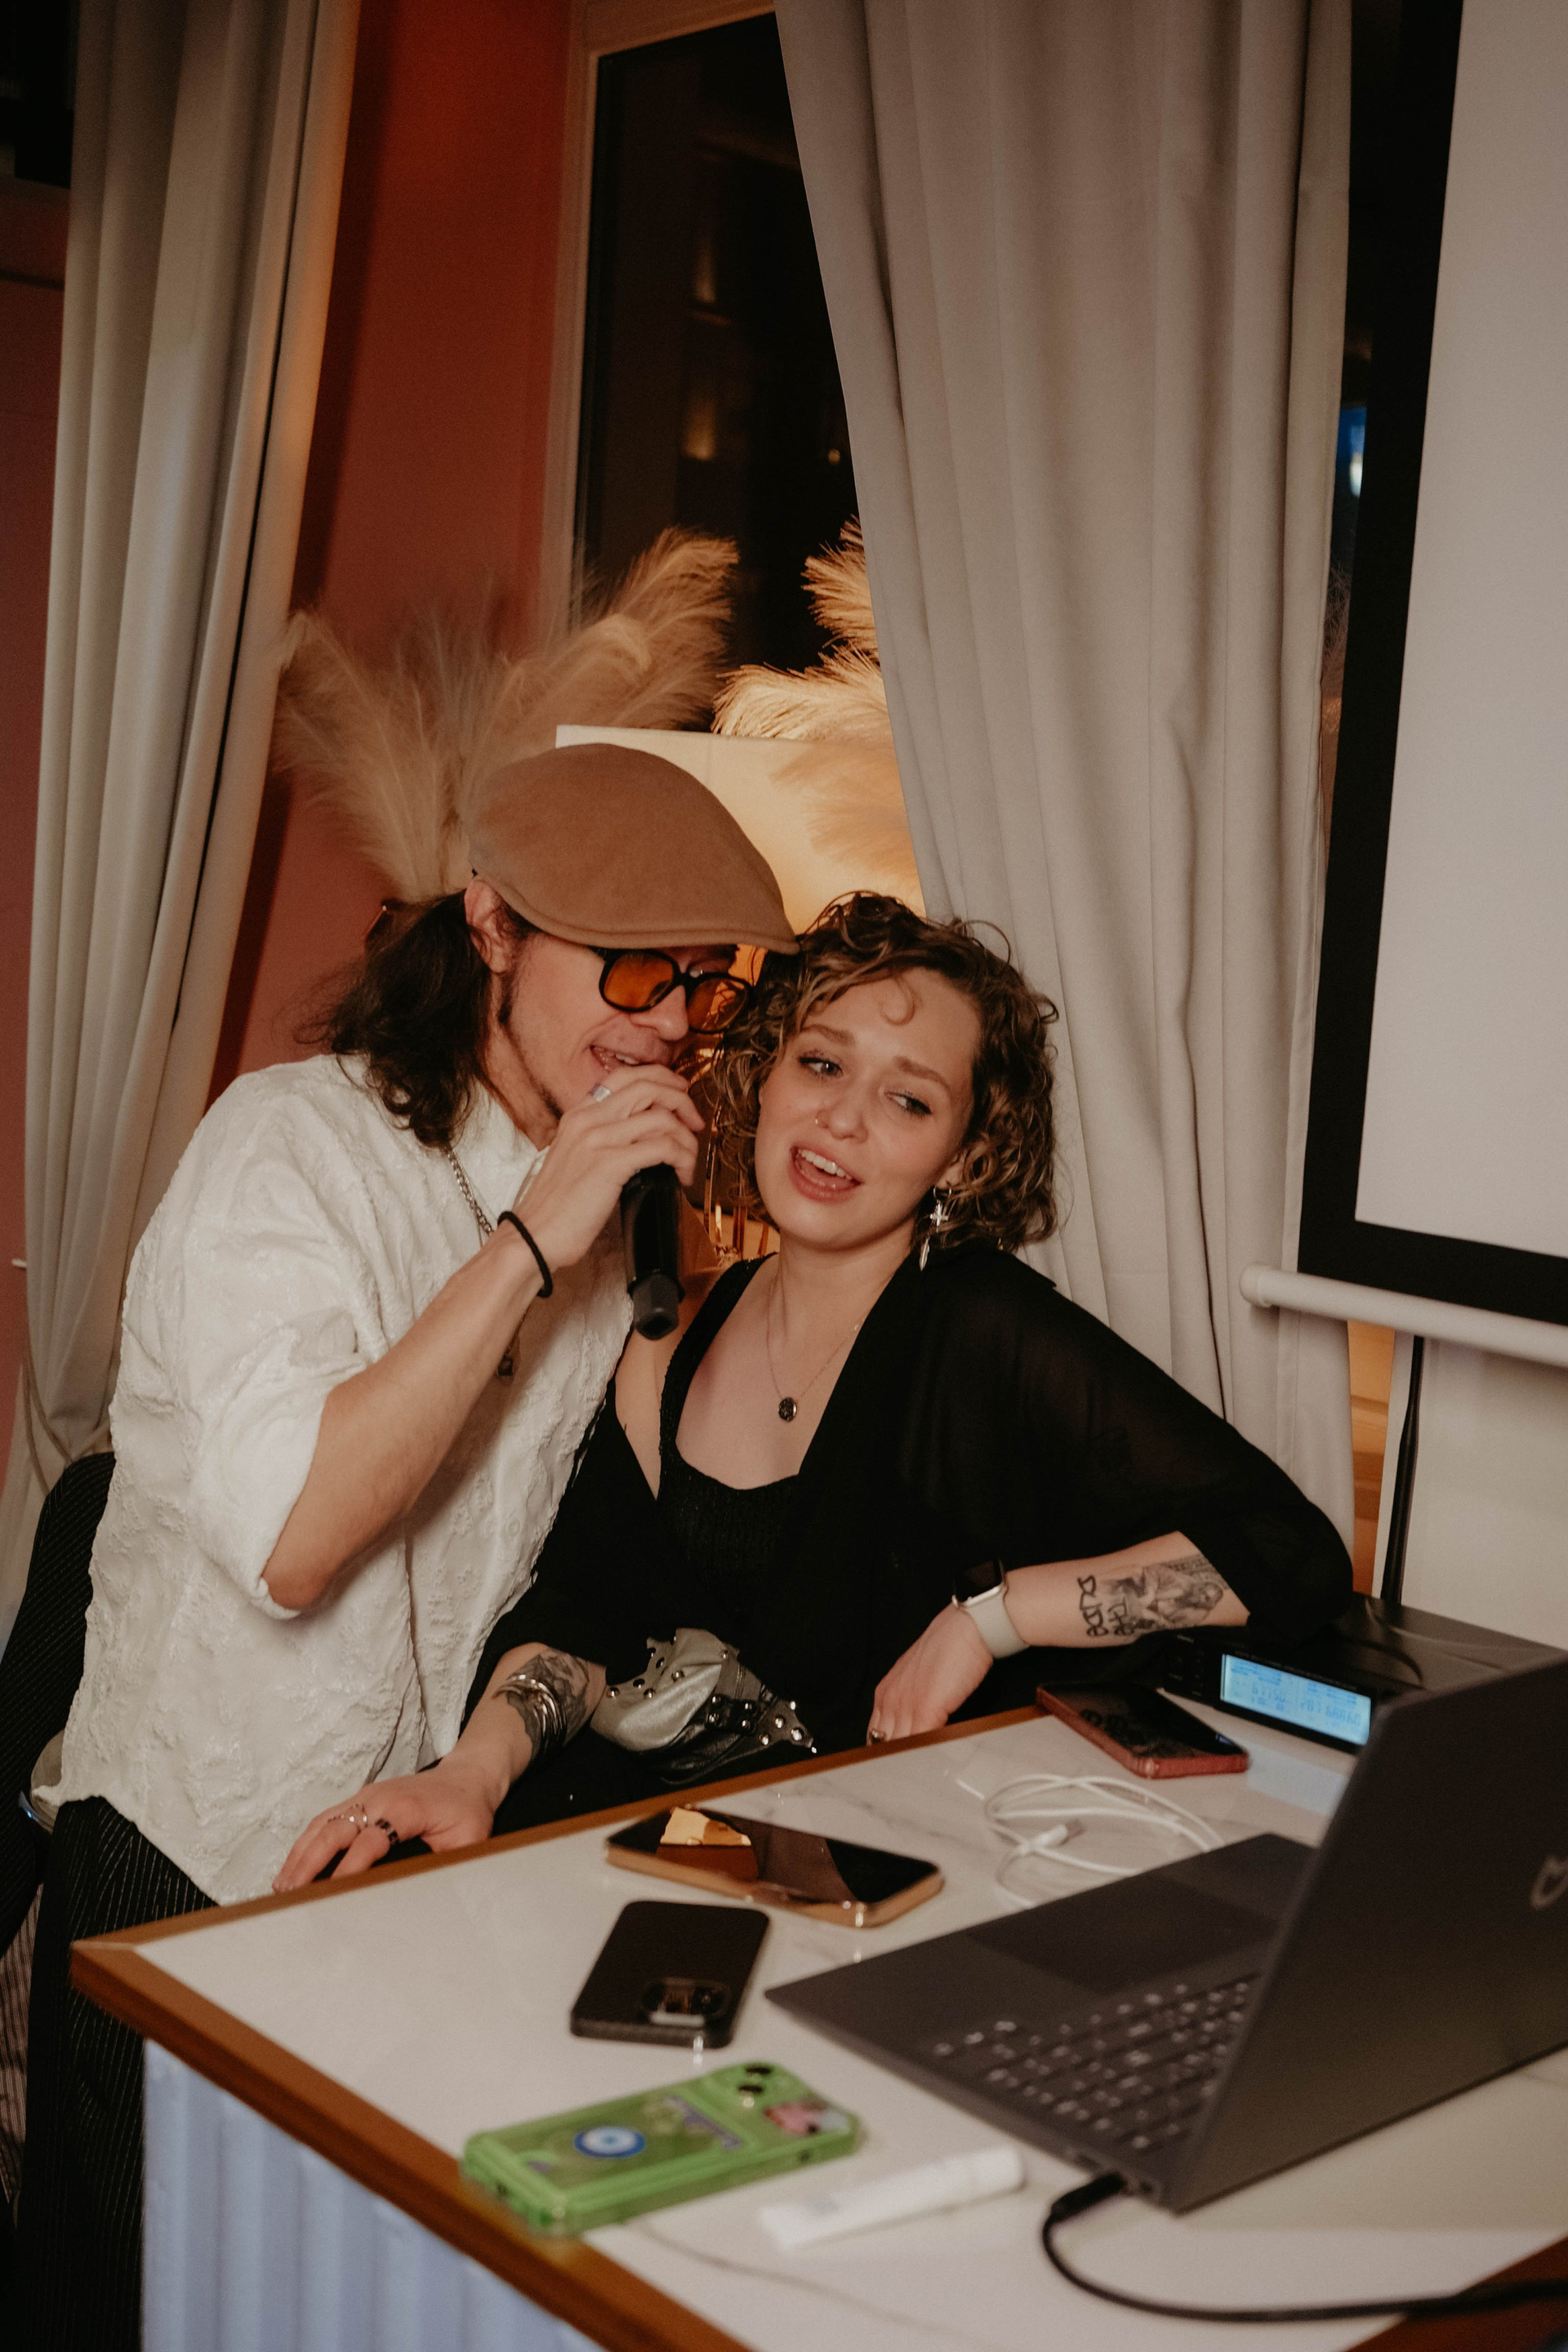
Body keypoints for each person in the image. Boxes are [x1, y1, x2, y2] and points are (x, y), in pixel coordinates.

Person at [16, 742, 797, 2350]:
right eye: (630, 968)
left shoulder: (629, 1213)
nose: (669, 1023)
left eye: (703, 981)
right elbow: (298, 1546)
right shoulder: (287, 1147)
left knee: (314, 2308)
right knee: (126, 2311)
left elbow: (606, 1562)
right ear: (492, 925)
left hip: (412, 1867)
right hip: (191, 1852)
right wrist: (531, 1241)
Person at [280, 893, 1352, 1886]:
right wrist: (471, 1775)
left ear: (964, 1157)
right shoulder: (669, 1335)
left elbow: (1286, 1551)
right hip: (644, 1853)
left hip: (866, 1892)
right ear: (767, 1076)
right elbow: (583, 1616)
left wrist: (991, 1619)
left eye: (908, 1099)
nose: (843, 1119)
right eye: (823, 1064)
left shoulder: (981, 1330)